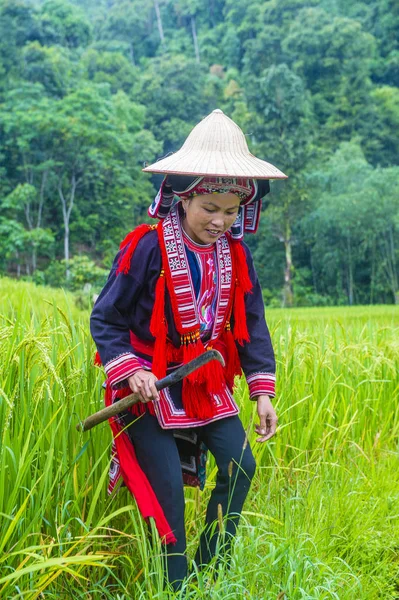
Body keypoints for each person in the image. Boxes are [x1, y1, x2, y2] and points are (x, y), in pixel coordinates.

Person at [90, 109, 287, 590]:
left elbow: (253, 325)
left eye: (231, 210)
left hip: (205, 382)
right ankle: (174, 586)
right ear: (182, 198)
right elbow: (106, 317)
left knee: (242, 464)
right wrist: (131, 372)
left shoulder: (237, 255)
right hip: (151, 386)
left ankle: (210, 570)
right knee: (170, 499)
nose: (221, 221)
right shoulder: (148, 247)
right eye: (209, 208)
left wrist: (262, 392)